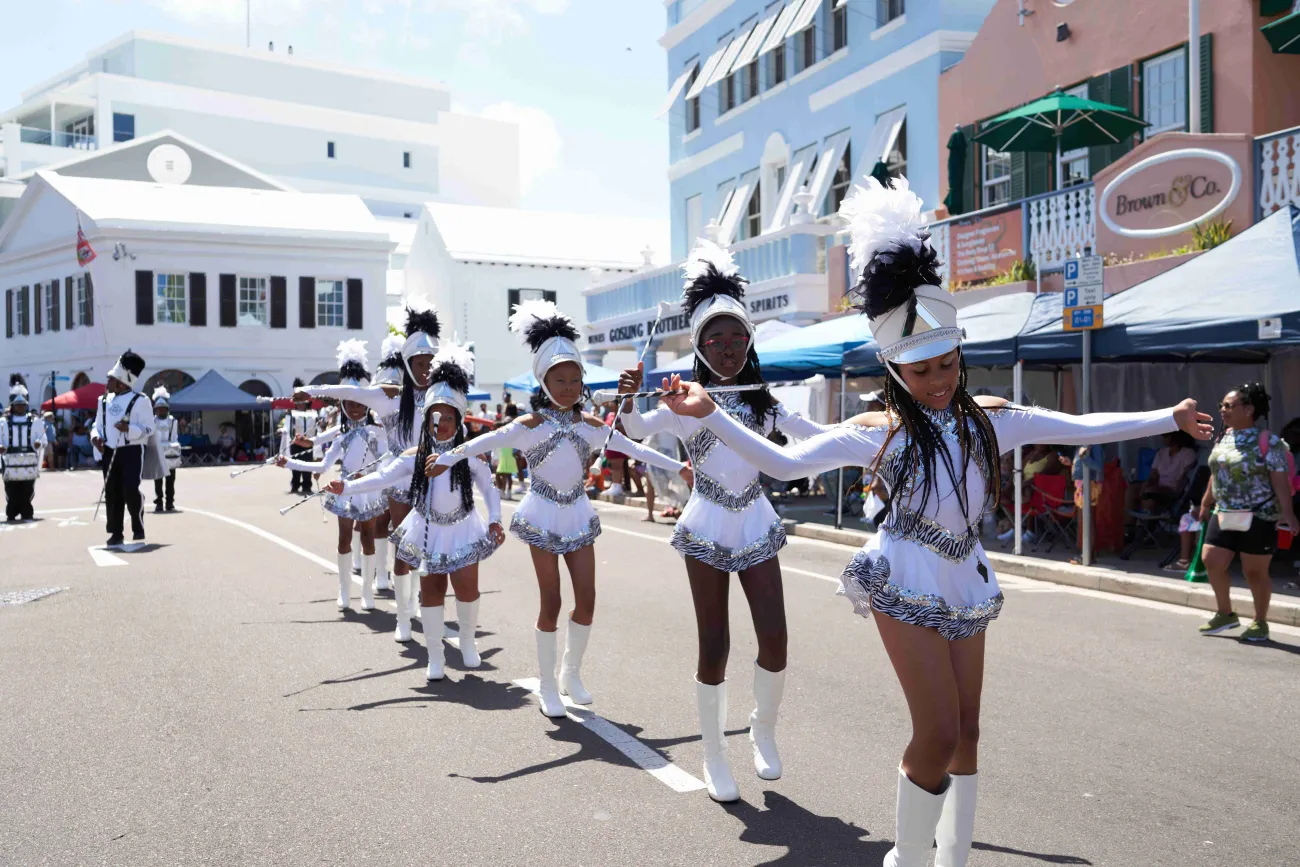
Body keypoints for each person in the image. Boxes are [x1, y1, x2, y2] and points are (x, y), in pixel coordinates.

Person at [659, 175, 1211, 866]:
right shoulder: (877, 432)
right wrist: (710, 414)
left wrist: (1167, 418)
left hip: (965, 573)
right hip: (902, 572)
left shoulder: (991, 420)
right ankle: (910, 856)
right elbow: (786, 461)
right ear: (894, 369)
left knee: (969, 729)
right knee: (938, 727)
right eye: (922, 371)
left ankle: (952, 857)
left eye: (949, 362)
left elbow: (1079, 426)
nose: (941, 379)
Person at [616, 238, 833, 802]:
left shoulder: (763, 400)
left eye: (738, 336)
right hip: (707, 522)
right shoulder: (684, 399)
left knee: (777, 639)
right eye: (716, 338)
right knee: (714, 644)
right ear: (700, 346)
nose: (729, 346)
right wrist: (626, 398)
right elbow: (635, 432)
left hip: (756, 521)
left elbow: (818, 436)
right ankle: (715, 753)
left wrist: (877, 425)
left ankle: (762, 727)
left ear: (750, 341)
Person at [430, 300, 691, 718]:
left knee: (586, 599)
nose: (569, 386)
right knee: (550, 601)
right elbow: (484, 442)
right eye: (560, 379)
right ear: (544, 381)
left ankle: (572, 672)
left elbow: (632, 445)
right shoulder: (528, 426)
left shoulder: (593, 426)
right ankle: (548, 685)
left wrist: (680, 466)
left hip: (578, 514)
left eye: (575, 378)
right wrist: (447, 457)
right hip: (542, 514)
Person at [331, 344, 503, 679]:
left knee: (467, 588)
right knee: (433, 591)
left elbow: (489, 487)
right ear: (426, 420)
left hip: (464, 528)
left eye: (449, 417)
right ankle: (435, 656)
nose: (441, 423)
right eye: (435, 417)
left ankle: (468, 643)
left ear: (459, 420)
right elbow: (382, 477)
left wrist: (495, 519)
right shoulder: (414, 454)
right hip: (427, 530)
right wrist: (347, 487)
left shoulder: (470, 453)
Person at [295, 299, 442, 637]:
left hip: (434, 478)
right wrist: (311, 391)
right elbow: (347, 390)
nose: (425, 369)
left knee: (430, 547)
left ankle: (417, 602)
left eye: (431, 362)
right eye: (419, 363)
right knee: (404, 544)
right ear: (407, 363)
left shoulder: (442, 394)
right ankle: (403, 617)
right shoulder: (390, 396)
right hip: (400, 477)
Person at [277, 340, 388, 613]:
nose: (356, 409)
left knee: (369, 539)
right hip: (344, 489)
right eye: (349, 403)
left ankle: (367, 593)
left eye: (360, 403)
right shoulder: (340, 436)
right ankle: (343, 590)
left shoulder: (379, 432)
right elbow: (321, 466)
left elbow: (389, 461)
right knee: (343, 539)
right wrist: (288, 462)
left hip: (369, 489)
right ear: (342, 404)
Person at [1196, 383, 1298, 643]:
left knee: (1254, 571)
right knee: (1211, 560)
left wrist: (1288, 512)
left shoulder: (1269, 442)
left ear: (1249, 409)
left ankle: (1260, 621)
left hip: (1260, 513)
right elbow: (1217, 473)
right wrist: (1206, 503)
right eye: (1222, 405)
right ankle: (1225, 613)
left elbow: (1279, 479)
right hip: (1225, 511)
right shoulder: (1223, 437)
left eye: (1229, 406)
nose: (1222, 410)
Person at [90, 350, 155, 547]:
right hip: (109, 451)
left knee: (129, 489)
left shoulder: (141, 400)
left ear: (121, 382)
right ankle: (116, 532)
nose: (106, 382)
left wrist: (129, 429)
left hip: (132, 450)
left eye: (110, 379)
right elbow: (97, 425)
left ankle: (137, 522)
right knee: (112, 492)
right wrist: (95, 438)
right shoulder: (103, 401)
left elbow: (149, 428)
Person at [1126, 430, 1198, 527]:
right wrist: (1145, 485)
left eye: (1166, 435)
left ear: (1176, 436)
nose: (1162, 437)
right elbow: (1153, 475)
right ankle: (1129, 529)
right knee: (1132, 489)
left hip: (1172, 490)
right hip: (1158, 487)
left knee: (1150, 493)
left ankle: (1146, 528)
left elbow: (1185, 477)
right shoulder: (1161, 453)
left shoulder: (1188, 454)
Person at [1, 379, 47, 522]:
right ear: (13, 406)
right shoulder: (3, 422)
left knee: (28, 488)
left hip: (29, 461)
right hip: (9, 461)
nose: (20, 407)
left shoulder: (35, 421)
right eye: (17, 405)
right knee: (11, 488)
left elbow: (43, 438)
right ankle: (12, 511)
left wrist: (39, 443)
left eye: (22, 405)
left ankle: (27, 511)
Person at [280, 380, 320, 495]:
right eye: (298, 402)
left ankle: (307, 485)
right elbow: (287, 427)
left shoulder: (313, 413)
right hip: (295, 443)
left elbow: (316, 428)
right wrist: (283, 431)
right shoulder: (291, 413)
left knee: (308, 465)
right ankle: (295, 484)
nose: (300, 404)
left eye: (302, 402)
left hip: (308, 443)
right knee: (295, 466)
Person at [151, 387, 182, 512]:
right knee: (158, 481)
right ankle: (159, 501)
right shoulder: (152, 421)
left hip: (169, 453)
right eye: (158, 409)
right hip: (157, 453)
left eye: (162, 409)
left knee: (170, 481)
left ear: (167, 409)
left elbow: (174, 437)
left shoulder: (173, 421)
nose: (160, 411)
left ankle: (170, 502)